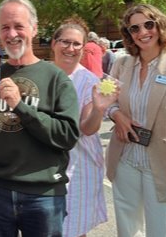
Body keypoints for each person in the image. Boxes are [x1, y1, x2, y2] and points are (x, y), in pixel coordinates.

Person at [0, 0, 80, 237]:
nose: (12, 33)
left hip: (42, 194)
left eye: (18, 26)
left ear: (34, 30)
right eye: (5, 27)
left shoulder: (56, 78)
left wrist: (20, 106)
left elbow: (67, 136)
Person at [105, 4, 166, 237]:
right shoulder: (121, 64)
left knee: (163, 230)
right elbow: (105, 99)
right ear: (129, 34)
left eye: (148, 24)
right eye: (134, 28)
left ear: (160, 26)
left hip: (163, 162)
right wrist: (116, 114)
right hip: (125, 159)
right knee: (128, 230)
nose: (142, 32)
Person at [51, 17, 118, 237]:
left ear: (83, 47)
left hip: (79, 166)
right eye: (64, 42)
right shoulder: (41, 75)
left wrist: (99, 109)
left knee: (73, 229)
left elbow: (88, 129)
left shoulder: (89, 81)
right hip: (43, 166)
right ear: (54, 43)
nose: (70, 48)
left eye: (76, 44)